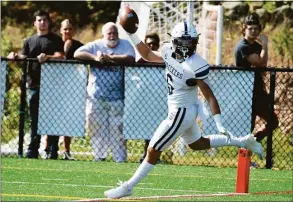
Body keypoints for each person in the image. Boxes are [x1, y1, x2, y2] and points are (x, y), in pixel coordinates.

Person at [104, 20, 264, 199]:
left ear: (195, 43)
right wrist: (132, 34)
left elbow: (209, 95)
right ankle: (242, 141)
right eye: (183, 42)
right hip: (183, 110)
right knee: (197, 144)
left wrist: (218, 122)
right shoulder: (167, 51)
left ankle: (128, 186)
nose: (186, 47)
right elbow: (147, 54)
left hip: (181, 113)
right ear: (174, 41)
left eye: (190, 42)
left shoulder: (196, 64)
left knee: (153, 150)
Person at [74, 22, 135, 163]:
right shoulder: (96, 45)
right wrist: (95, 58)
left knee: (118, 130)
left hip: (117, 96)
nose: (112, 36)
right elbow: (77, 53)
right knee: (96, 128)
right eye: (109, 33)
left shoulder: (124, 44)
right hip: (96, 96)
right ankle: (99, 156)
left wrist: (110, 58)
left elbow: (131, 58)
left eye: (115, 33)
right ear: (104, 34)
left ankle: (119, 159)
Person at [7, 10, 64, 159]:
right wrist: (14, 56)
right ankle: (33, 149)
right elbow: (23, 56)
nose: (42, 23)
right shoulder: (29, 40)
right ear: (35, 23)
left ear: (49, 22)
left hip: (53, 86)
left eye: (45, 20)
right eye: (39, 20)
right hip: (33, 85)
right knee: (34, 119)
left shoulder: (55, 39)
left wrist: (48, 57)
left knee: (52, 119)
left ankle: (52, 150)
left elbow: (61, 56)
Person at [42, 19, 84, 160]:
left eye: (70, 29)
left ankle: (66, 150)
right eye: (65, 29)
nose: (67, 31)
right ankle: (47, 148)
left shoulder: (78, 45)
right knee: (51, 116)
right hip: (54, 86)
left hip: (72, 86)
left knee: (69, 118)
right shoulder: (54, 43)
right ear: (61, 30)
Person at [234, 13, 279, 143]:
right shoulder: (243, 46)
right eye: (250, 28)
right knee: (249, 126)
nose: (253, 31)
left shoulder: (256, 46)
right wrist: (265, 45)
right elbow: (261, 63)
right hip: (246, 91)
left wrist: (262, 47)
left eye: (256, 28)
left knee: (273, 121)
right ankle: (245, 155)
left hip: (258, 90)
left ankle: (252, 143)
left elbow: (262, 64)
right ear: (244, 29)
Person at [137, 32, 162, 163]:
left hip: (160, 99)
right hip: (145, 99)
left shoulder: (164, 60)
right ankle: (145, 154)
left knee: (159, 129)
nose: (151, 46)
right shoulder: (141, 60)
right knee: (146, 127)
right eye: (149, 44)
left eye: (154, 44)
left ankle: (156, 155)